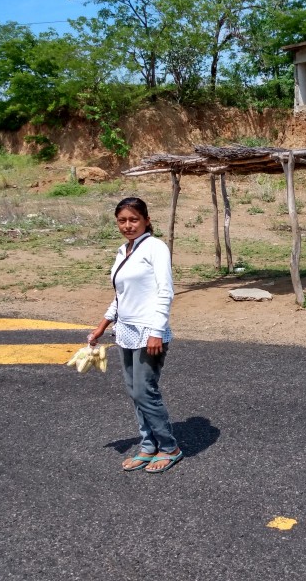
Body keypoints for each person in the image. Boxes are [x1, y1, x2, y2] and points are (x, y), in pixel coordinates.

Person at [88, 197, 182, 474]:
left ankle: (169, 447)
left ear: (146, 220)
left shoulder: (155, 247)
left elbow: (166, 291)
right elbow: (121, 296)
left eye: (133, 220)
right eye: (122, 220)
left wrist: (156, 332)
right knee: (134, 391)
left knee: (145, 390)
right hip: (126, 330)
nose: (127, 225)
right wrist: (101, 326)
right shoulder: (123, 251)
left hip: (149, 331)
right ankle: (147, 446)